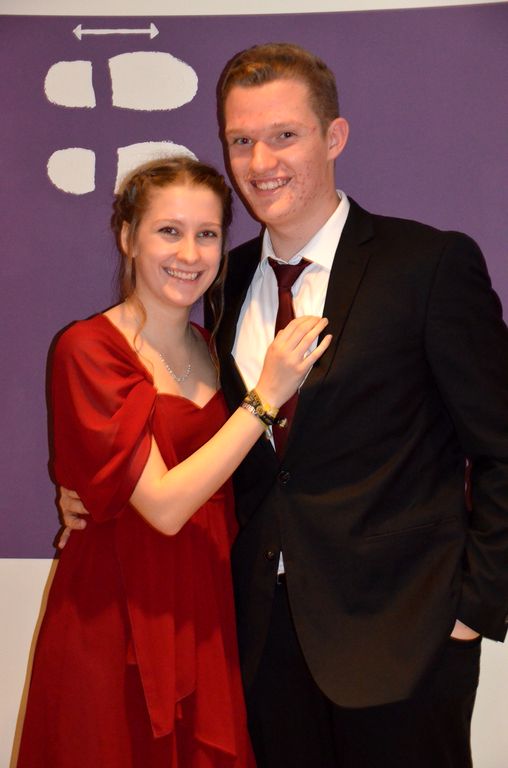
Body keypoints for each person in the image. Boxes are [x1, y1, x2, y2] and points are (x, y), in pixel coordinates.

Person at [60, 44, 508, 768]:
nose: (260, 161)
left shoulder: (427, 266)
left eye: (284, 135)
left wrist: (474, 611)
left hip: (405, 643)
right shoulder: (218, 282)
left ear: (334, 137)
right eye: (240, 140)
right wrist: (92, 485)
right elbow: (191, 433)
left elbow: (500, 447)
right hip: (255, 649)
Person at [17, 155, 331, 768]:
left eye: (207, 234)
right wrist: (266, 397)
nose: (190, 253)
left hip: (208, 612)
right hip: (115, 619)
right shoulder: (88, 348)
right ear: (127, 237)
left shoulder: (215, 346)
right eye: (169, 231)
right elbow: (162, 506)